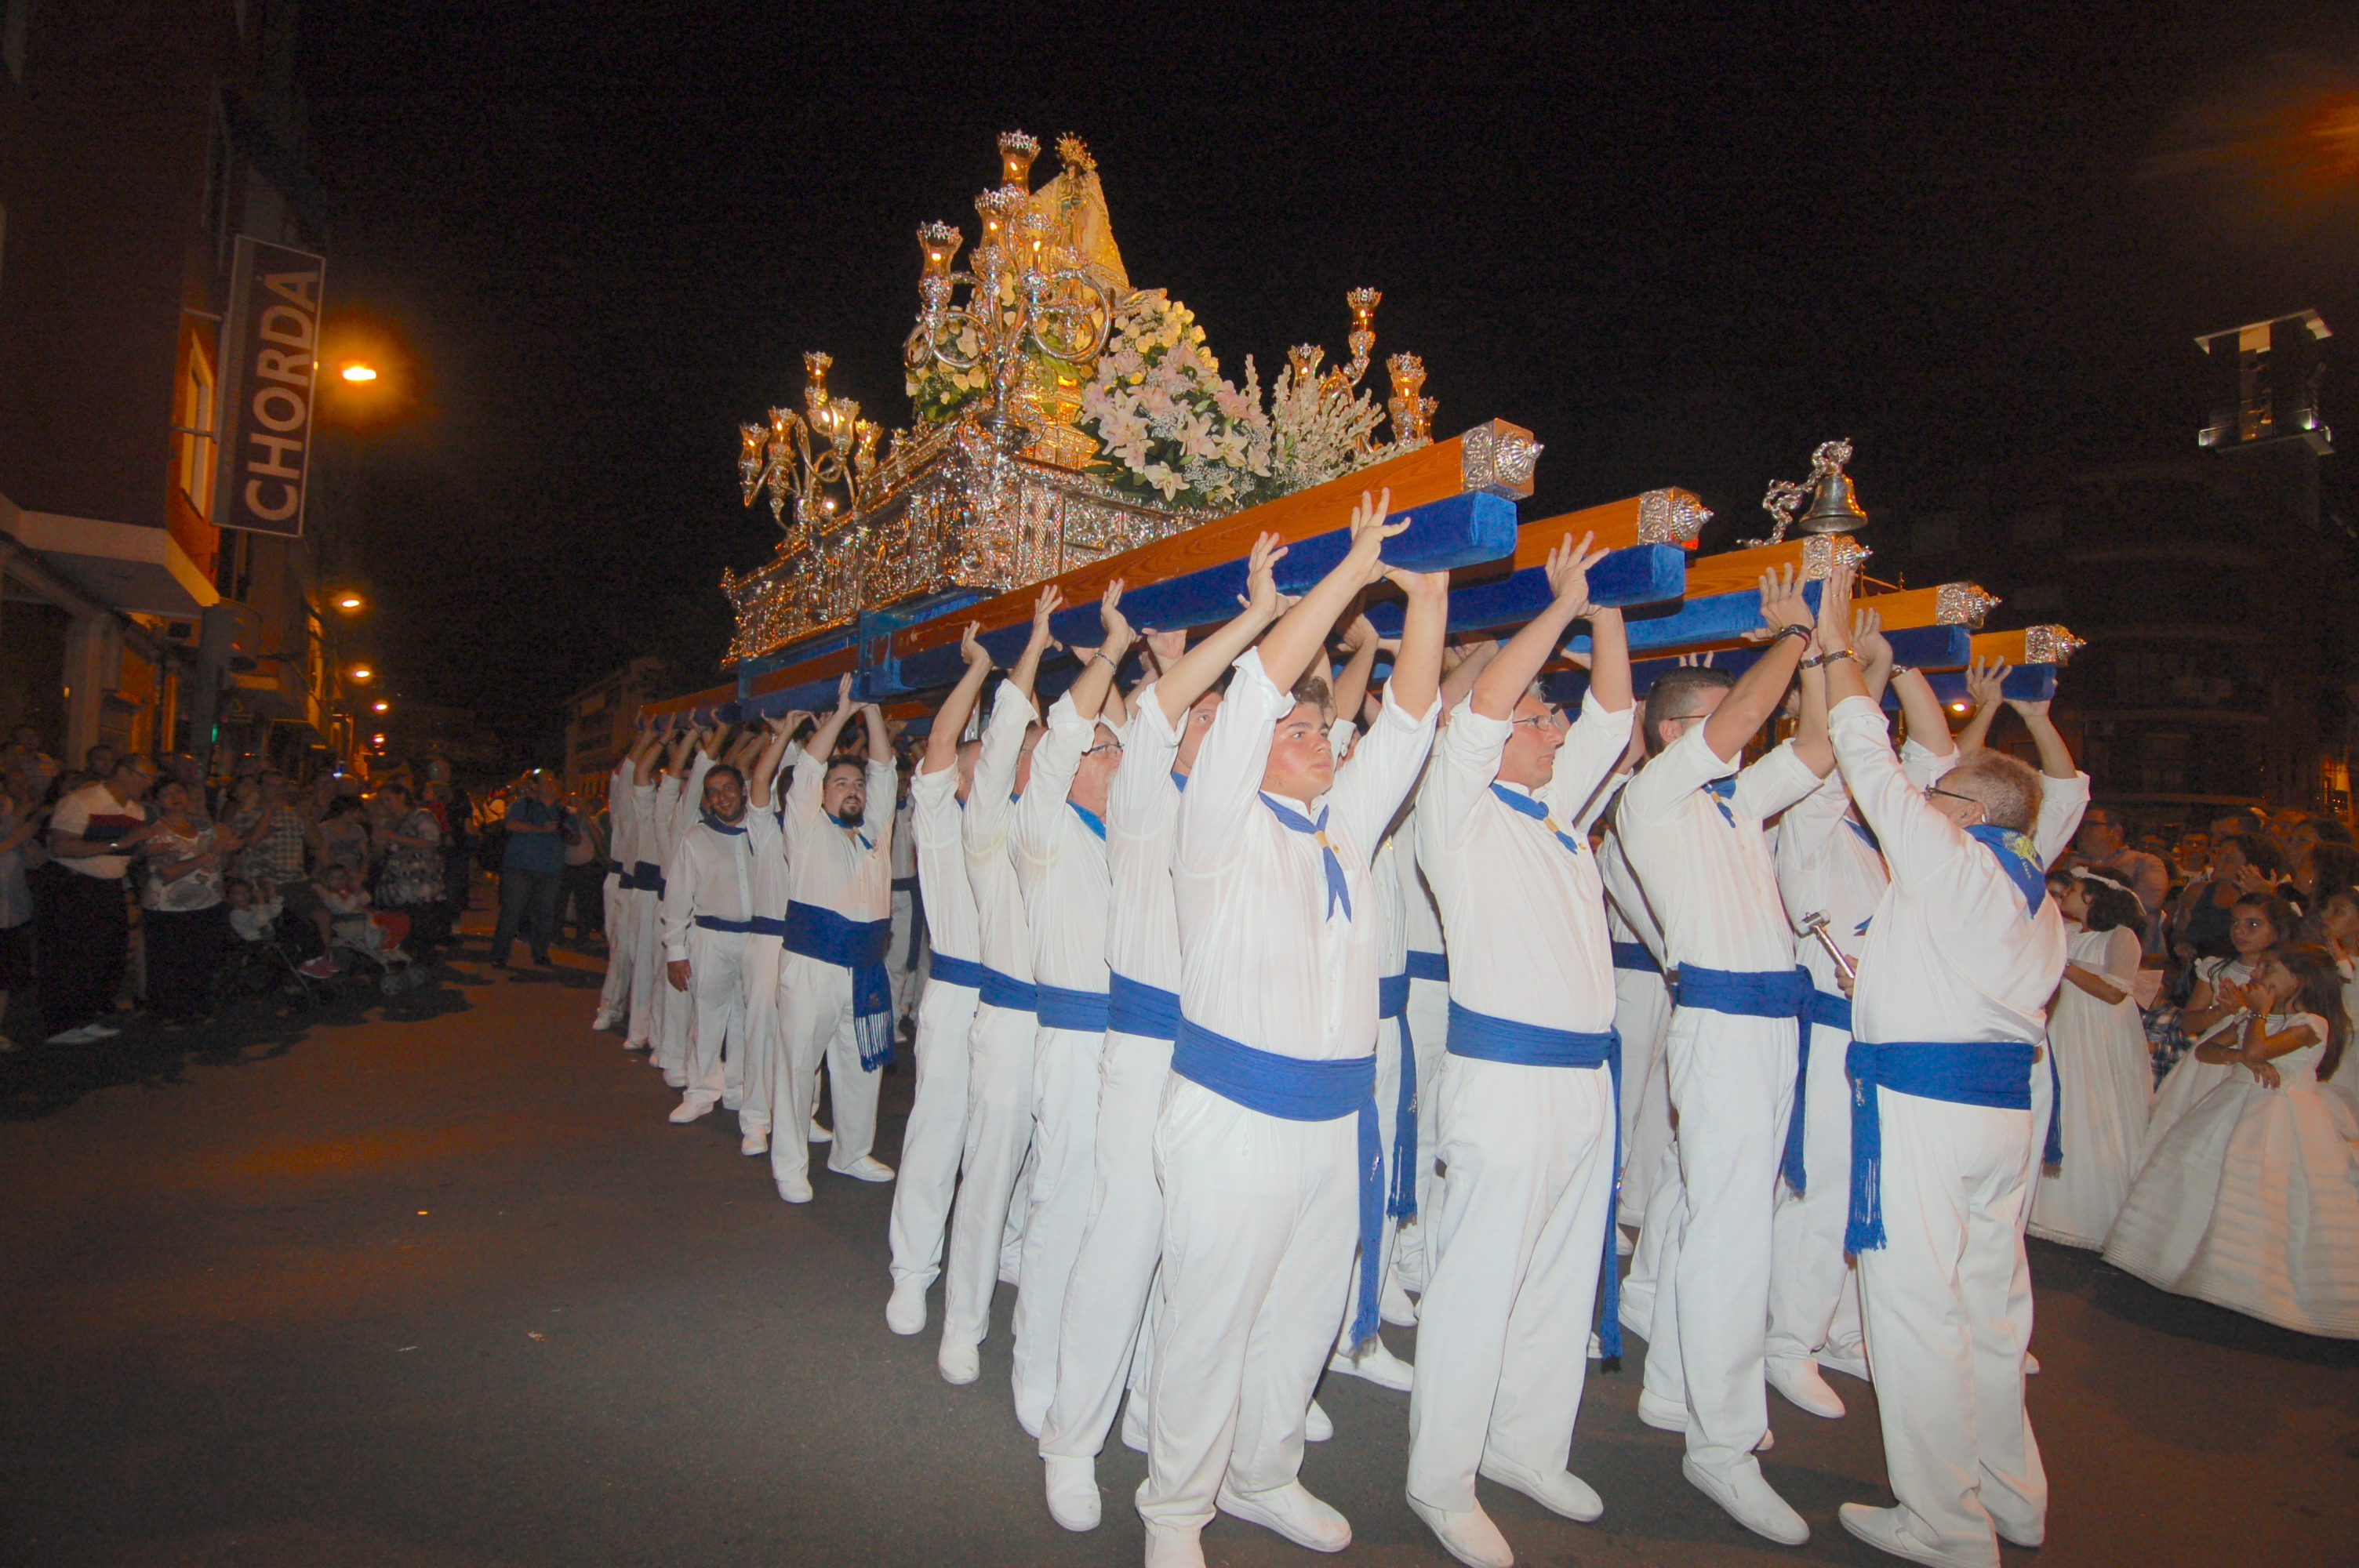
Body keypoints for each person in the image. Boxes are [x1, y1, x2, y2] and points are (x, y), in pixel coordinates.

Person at [1138, 488, 1445, 1568]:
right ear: (1254, 744)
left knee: (1304, 1315)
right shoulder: (1217, 820)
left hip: (1330, 1119)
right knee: (1213, 1318)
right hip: (1233, 1115)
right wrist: (1350, 572)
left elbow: (1409, 726)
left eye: (1324, 729)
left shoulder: (1345, 828)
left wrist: (1433, 590)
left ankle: (1264, 1472)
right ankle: (1175, 1510)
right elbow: (1266, 679)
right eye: (1301, 729)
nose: (1321, 738)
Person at [1810, 567, 2066, 1568]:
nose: (1923, 796)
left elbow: (1866, 757)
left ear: (1965, 808)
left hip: (1925, 1105)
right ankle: (2012, 1495)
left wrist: (1832, 636)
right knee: (1991, 1311)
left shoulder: (1952, 860)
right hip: (1999, 1115)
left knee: (1913, 1311)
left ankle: (1944, 1524)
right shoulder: (2027, 886)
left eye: (1940, 789)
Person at [1036, 538, 1289, 1530]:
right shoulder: (1144, 792)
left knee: (1200, 1257)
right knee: (1123, 1242)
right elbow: (1149, 708)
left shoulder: (1243, 812)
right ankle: (1069, 1438)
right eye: (1208, 712)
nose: (1217, 726)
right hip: (1143, 1045)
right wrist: (1254, 617)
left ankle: (1155, 1417)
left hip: (1223, 1054)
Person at [1403, 532, 1631, 1568]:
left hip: (1583, 1079)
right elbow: (1480, 707)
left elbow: (1621, 720)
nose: (1559, 725)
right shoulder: (1459, 810)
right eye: (1545, 714)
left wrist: (1610, 610)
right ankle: (1440, 1478)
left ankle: (1525, 1443)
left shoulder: (1555, 813)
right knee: (1479, 1279)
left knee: (1556, 1275)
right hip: (1503, 1082)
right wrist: (1558, 608)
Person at [1618, 566, 1831, 1546]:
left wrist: (1821, 652)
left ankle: (1671, 1387)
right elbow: (1748, 712)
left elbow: (1818, 745)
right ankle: (1720, 1442)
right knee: (1730, 1233)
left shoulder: (1731, 803)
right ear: (1673, 734)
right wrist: (1793, 629)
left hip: (1764, 1026)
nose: (1751, 729)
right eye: (1720, 721)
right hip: (1722, 1024)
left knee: (1719, 1212)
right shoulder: (1654, 794)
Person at [1008, 582, 1135, 1438]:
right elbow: (1061, 740)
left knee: (1117, 1212)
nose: (1117, 756)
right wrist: (1110, 654)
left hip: (1130, 1045)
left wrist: (1125, 658)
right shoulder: (1041, 830)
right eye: (1105, 748)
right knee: (1060, 1201)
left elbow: (1130, 734)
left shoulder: (1127, 836)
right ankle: (1034, 1361)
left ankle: (1106, 1370)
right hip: (1068, 1039)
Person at [2103, 944, 2358, 1338]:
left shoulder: (2312, 1023)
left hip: (2282, 1118)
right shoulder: (2253, 1018)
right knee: (2204, 1179)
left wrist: (2256, 1021)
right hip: (2232, 1106)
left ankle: (2265, 1287)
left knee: (2269, 1196)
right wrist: (2242, 1057)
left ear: (2299, 980)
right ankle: (2186, 1264)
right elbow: (2208, 1050)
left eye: (2270, 968)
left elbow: (2260, 1046)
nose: (2257, 975)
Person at [936, 589, 1061, 1385]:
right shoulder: (987, 821)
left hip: (1079, 1029)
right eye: (1032, 746)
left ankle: (1030, 1302)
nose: (1047, 756)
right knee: (989, 1168)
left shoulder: (1075, 823)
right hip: (1012, 1018)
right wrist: (1034, 645)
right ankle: (962, 1318)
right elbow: (1010, 720)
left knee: (1054, 1179)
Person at [769, 681, 899, 1199]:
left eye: (857, 785)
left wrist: (871, 714)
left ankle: (851, 1153)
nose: (853, 790)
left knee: (860, 1066)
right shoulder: (805, 828)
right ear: (823, 792)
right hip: (812, 966)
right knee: (799, 1066)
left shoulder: (874, 832)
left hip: (865, 967)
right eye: (840, 782)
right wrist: (842, 712)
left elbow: (887, 772)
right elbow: (805, 770)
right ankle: (789, 1165)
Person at [2026, 869, 2153, 1249]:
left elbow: (2115, 991)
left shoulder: (2120, 937)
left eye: (2075, 891)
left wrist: (2064, 966)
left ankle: (2097, 1214)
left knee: (2095, 1107)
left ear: (2095, 897)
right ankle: (2045, 1208)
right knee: (2060, 1103)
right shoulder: (2067, 932)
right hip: (2064, 1028)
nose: (2066, 895)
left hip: (2098, 1033)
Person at [2144, 892, 2294, 1163]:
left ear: (2278, 930)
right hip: (2211, 1059)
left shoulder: (2288, 973)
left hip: (2262, 1053)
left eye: (2253, 924)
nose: (2240, 931)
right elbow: (2188, 1024)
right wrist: (2222, 1011)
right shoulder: (2216, 968)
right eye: (2235, 922)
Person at [657, 749, 760, 1127]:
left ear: (743, 791)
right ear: (706, 799)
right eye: (714, 792)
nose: (723, 797)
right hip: (711, 938)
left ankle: (737, 1087)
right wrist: (675, 950)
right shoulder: (695, 839)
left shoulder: (762, 831)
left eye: (728, 788)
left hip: (754, 940)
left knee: (747, 1017)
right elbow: (678, 898)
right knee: (708, 1016)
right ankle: (700, 1092)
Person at [39, 755, 157, 1044]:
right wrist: (121, 843)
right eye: (144, 776)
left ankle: (87, 1015)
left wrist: (144, 852)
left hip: (109, 885)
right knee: (71, 955)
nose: (148, 783)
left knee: (106, 955)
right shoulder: (81, 802)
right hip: (75, 885)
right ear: (123, 772)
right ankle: (61, 1025)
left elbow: (119, 853)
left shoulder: (135, 811)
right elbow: (61, 846)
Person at [135, 779, 241, 1024]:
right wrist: (210, 854)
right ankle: (167, 1013)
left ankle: (196, 1007)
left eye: (179, 790)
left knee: (200, 959)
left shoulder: (203, 826)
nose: (175, 797)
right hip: (169, 907)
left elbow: (221, 865)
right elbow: (166, 872)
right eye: (167, 793)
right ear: (157, 801)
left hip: (207, 903)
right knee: (170, 963)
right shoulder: (157, 831)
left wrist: (227, 848)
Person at [490, 771, 572, 968]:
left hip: (550, 868)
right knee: (513, 910)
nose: (552, 784)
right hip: (520, 866)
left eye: (554, 781)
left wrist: (567, 831)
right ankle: (500, 954)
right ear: (535, 786)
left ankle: (540, 953)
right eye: (547, 781)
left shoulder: (563, 810)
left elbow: (574, 836)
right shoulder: (523, 804)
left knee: (545, 912)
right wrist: (541, 829)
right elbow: (510, 825)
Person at [371, 782, 448, 953]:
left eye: (389, 799)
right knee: (399, 926)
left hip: (419, 883)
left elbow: (431, 842)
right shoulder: (388, 823)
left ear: (402, 797)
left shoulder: (421, 816)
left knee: (420, 925)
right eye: (382, 801)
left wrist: (395, 838)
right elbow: (378, 853)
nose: (386, 804)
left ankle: (422, 960)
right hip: (395, 884)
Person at [0, 773, 45, 1051]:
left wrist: (26, 843)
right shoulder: (12, 834)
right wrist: (14, 839)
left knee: (4, 977)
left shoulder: (17, 830)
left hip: (13, 911)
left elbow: (37, 862)